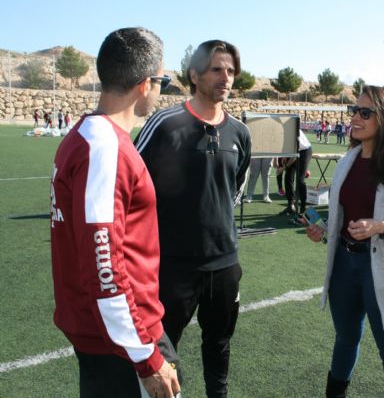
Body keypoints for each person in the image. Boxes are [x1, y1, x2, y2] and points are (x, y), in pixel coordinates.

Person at [50, 27, 180, 398]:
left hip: (107, 334)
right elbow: (103, 263)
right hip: (120, 342)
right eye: (163, 81)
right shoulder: (105, 147)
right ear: (146, 84)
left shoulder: (85, 137)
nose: (160, 91)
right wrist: (145, 356)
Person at [135, 39, 251, 398]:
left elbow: (233, 189)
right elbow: (132, 181)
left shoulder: (239, 133)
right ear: (194, 74)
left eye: (231, 71)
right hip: (173, 268)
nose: (226, 77)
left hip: (224, 265)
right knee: (163, 356)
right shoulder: (165, 123)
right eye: (217, 69)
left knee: (219, 348)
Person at [307, 86, 384, 398]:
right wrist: (324, 232)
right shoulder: (348, 160)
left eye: (365, 112)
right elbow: (344, 214)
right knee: (345, 339)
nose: (355, 118)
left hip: (383, 272)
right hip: (345, 267)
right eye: (354, 111)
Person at [279, 129, 313, 215]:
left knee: (300, 180)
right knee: (288, 178)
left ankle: (303, 208)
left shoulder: (291, 129)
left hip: (304, 151)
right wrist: (284, 156)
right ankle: (290, 206)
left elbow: (294, 156)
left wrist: (284, 167)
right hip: (295, 152)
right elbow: (286, 146)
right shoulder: (282, 130)